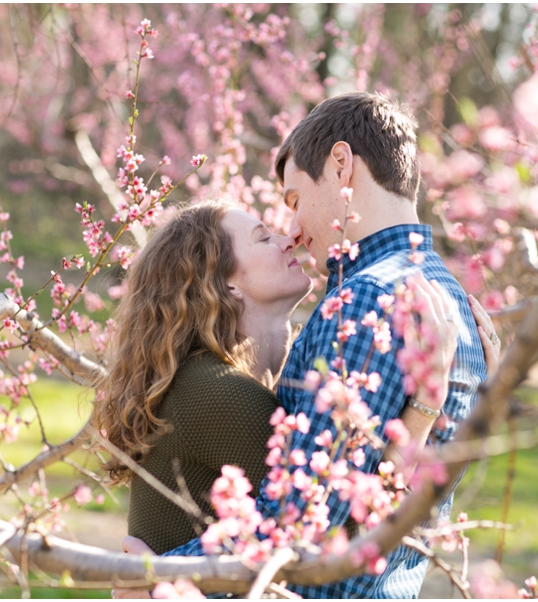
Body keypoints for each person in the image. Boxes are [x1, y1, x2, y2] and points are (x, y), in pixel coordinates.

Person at [151, 91, 495, 598]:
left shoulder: (368, 301)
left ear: (340, 166)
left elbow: (305, 523)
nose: (293, 227)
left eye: (294, 199)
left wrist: (153, 579)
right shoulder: (451, 298)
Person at [92, 200, 497, 559]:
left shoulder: (251, 380)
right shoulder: (213, 391)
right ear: (227, 281)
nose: (288, 240)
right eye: (263, 238)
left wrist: (479, 393)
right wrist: (429, 404)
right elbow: (340, 524)